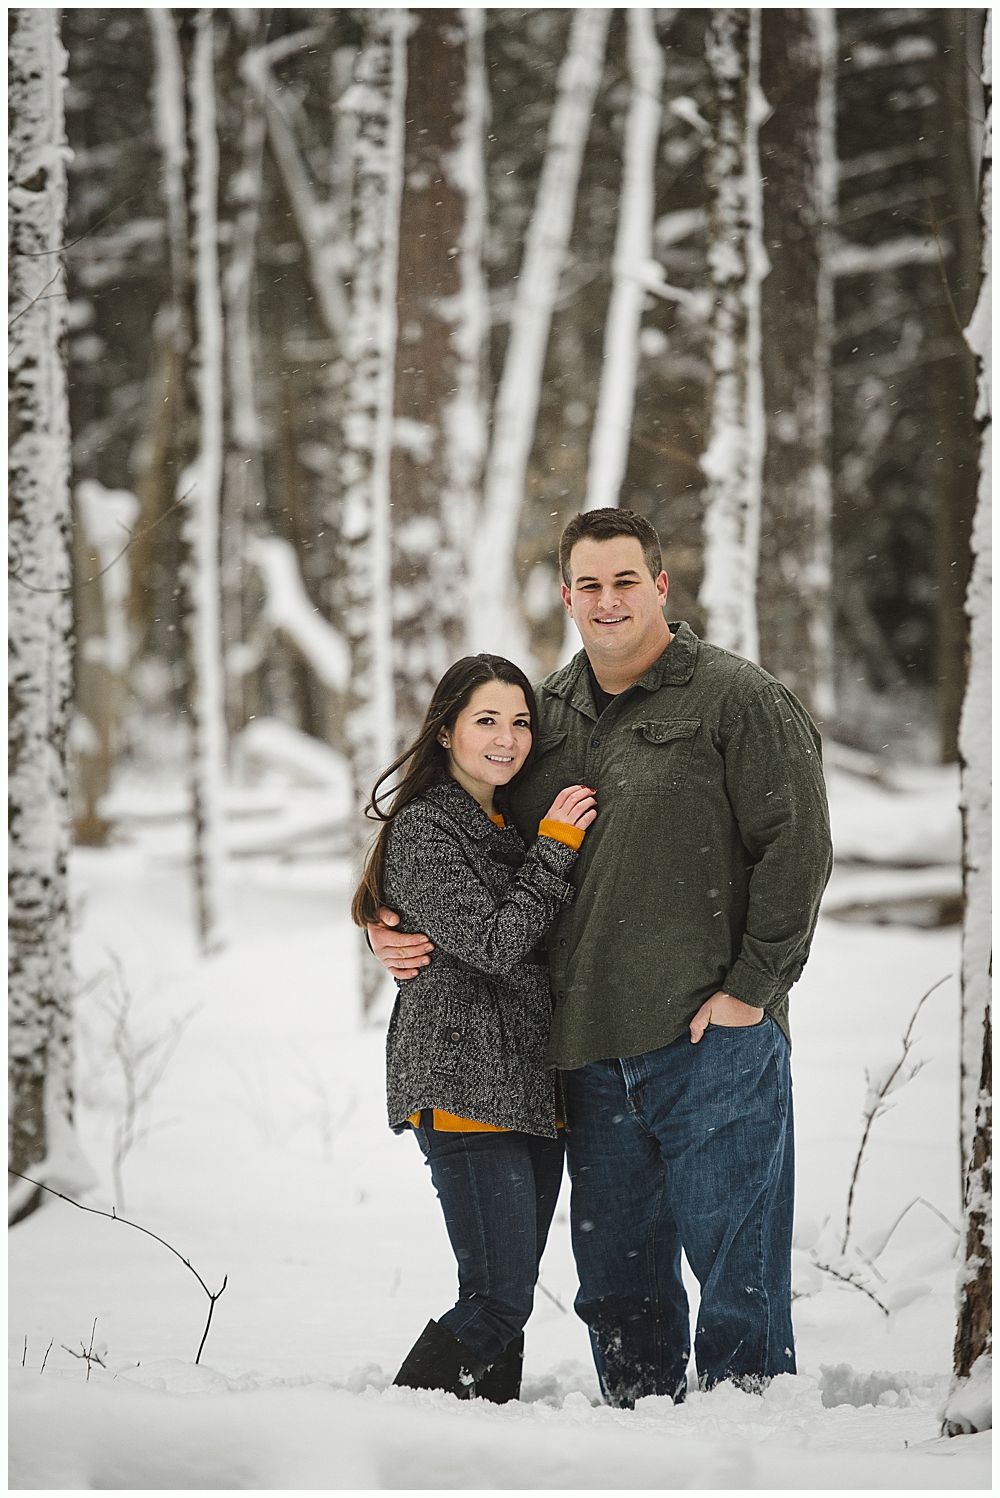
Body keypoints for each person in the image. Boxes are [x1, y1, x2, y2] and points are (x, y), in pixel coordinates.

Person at [368, 509, 833, 1408]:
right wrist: (385, 916)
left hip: (710, 1037)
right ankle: (635, 1432)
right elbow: (471, 843)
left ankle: (753, 1438)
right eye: (589, 584)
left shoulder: (736, 699)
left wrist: (752, 990)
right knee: (620, 1284)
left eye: (625, 581)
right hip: (582, 1051)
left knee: (737, 1272)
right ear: (566, 595)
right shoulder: (543, 715)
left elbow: (797, 849)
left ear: (660, 585)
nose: (607, 600)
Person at [351, 653, 596, 1402]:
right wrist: (556, 848)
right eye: (486, 720)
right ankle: (402, 1424)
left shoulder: (505, 819)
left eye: (520, 722)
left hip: (527, 1082)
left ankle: (481, 1442)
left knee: (502, 1298)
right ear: (445, 730)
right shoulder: (427, 828)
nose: (507, 738)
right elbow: (492, 943)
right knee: (498, 1300)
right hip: (462, 1080)